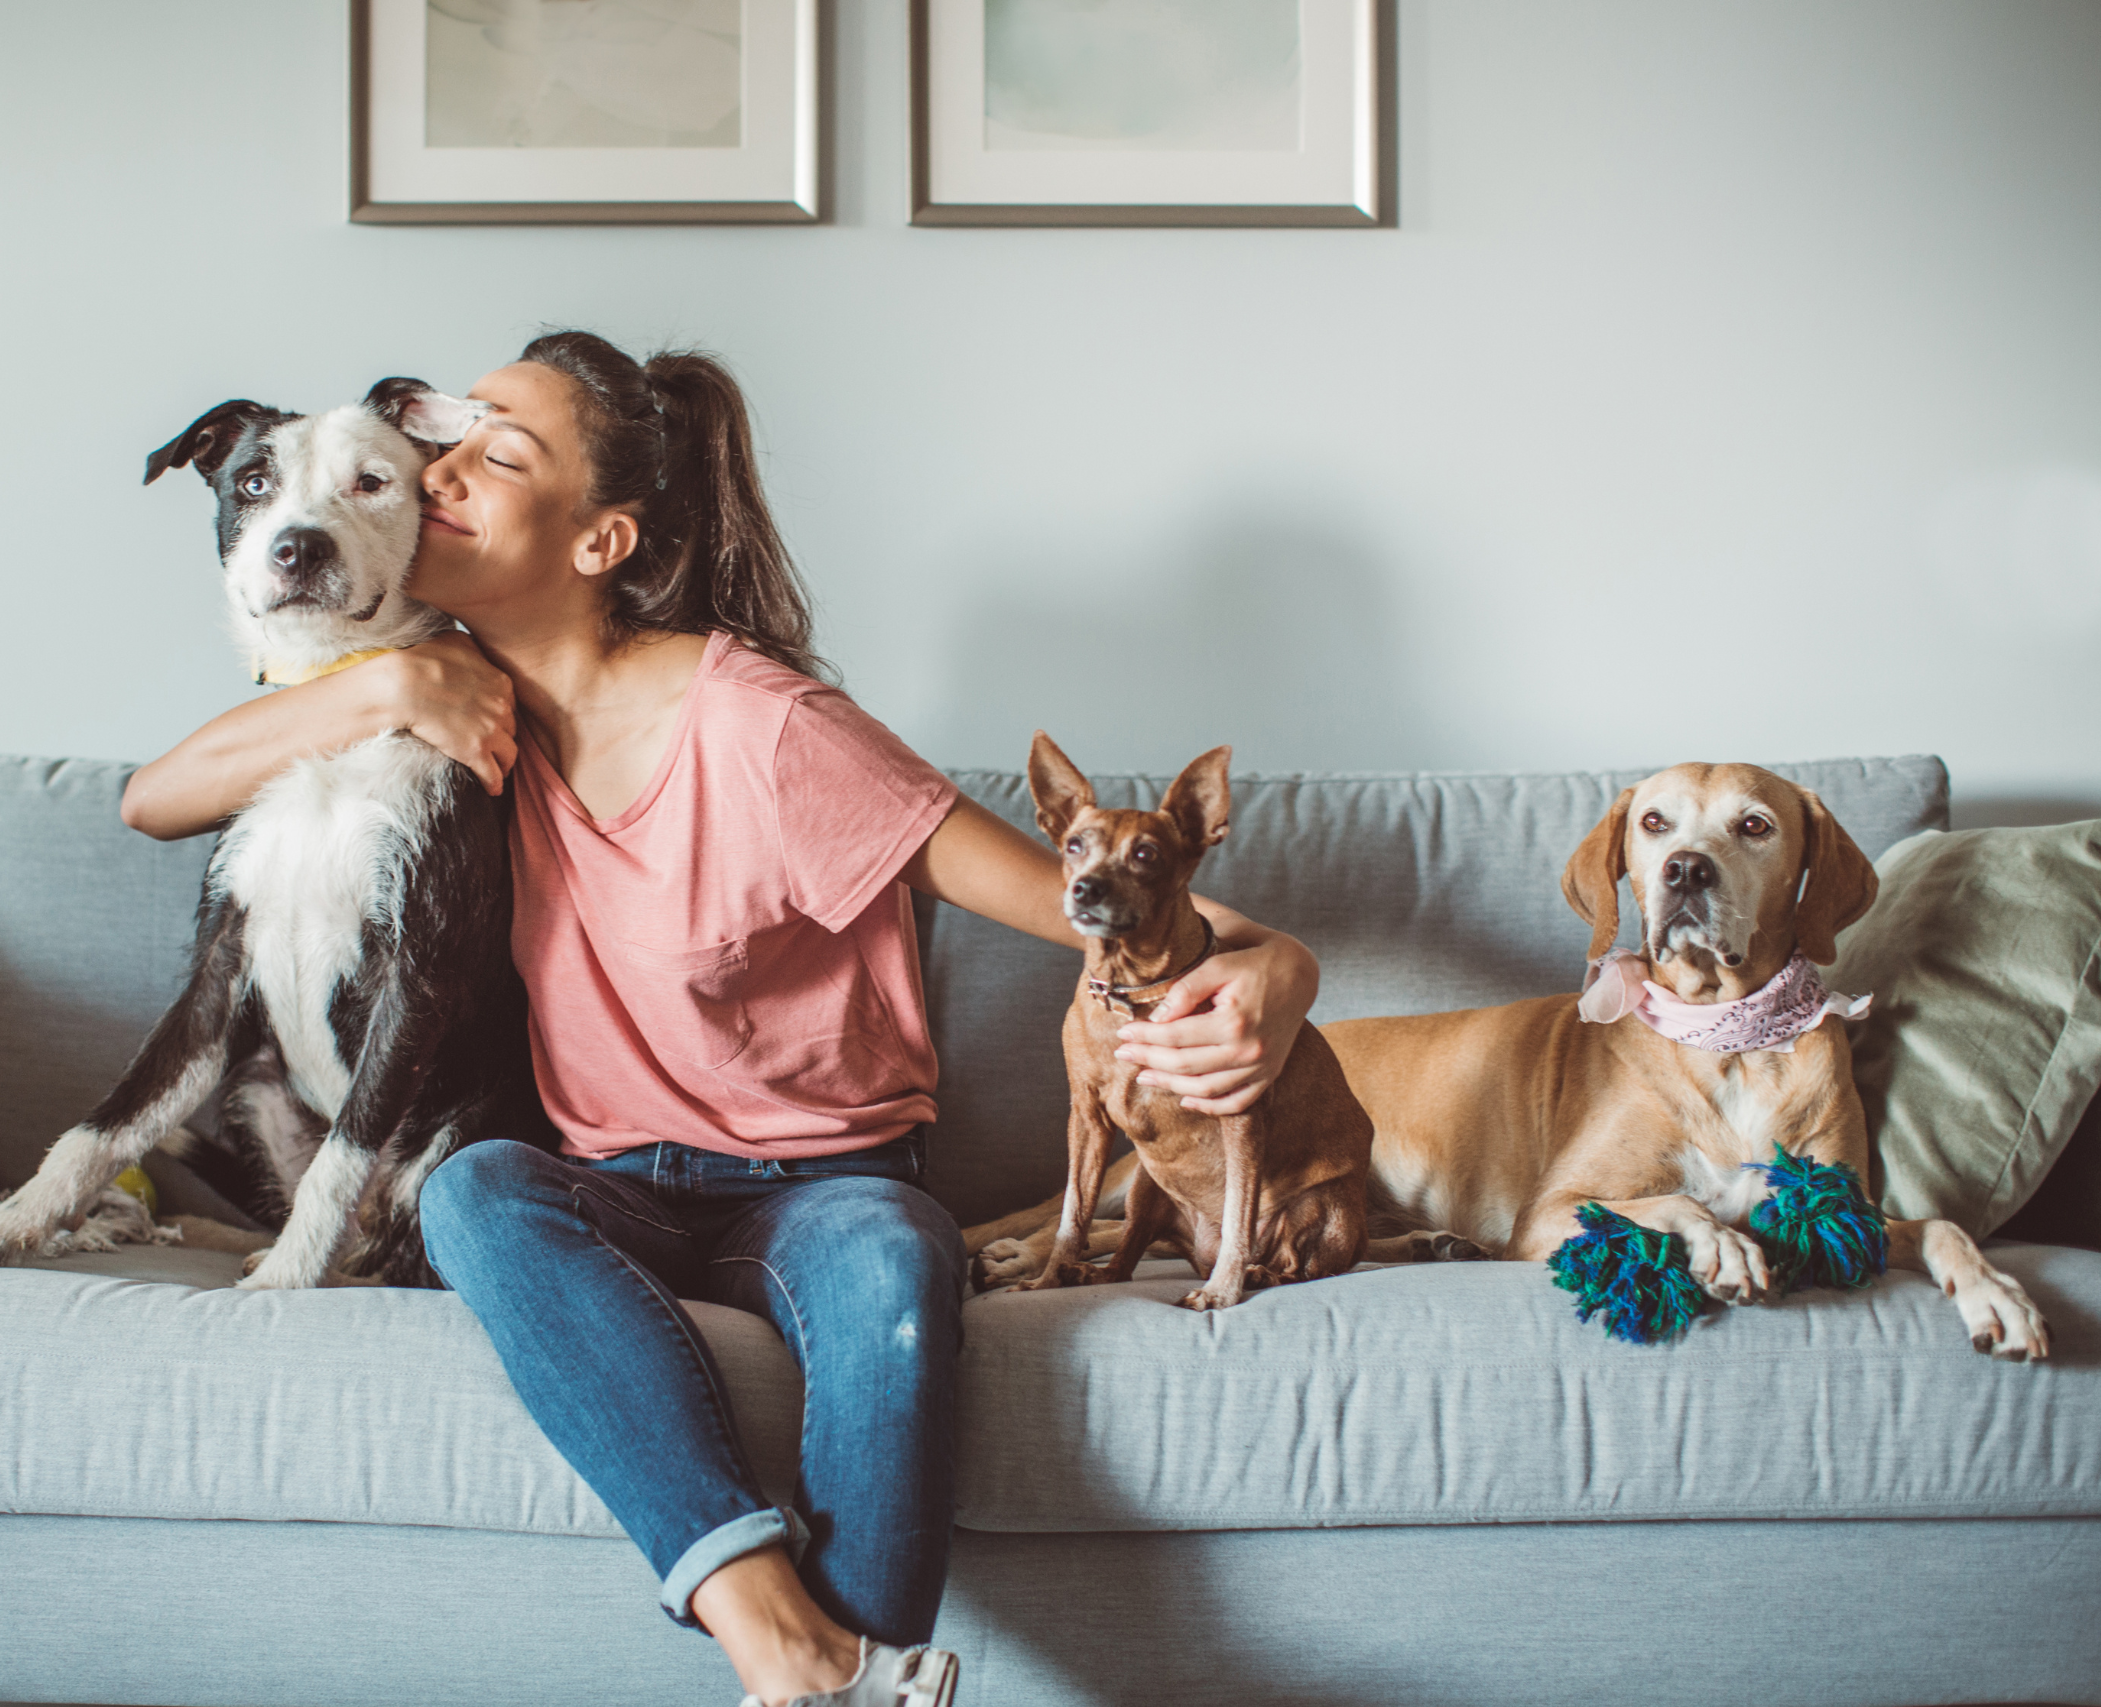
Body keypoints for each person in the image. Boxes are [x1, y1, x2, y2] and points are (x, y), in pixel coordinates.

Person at [120, 332, 1319, 1707]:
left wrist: (1282, 967)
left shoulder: (765, 724)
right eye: (450, 441)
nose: (441, 469)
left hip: (825, 1186)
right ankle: (792, 1645)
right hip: (604, 1184)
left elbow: (1082, 904)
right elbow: (154, 798)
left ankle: (818, 1677)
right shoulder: (447, 696)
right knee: (475, 1191)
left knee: (893, 1273)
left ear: (598, 539)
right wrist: (384, 684)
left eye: (496, 453)